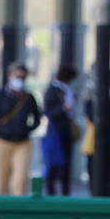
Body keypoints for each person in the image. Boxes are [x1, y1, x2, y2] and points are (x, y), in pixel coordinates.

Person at [0, 61, 41, 196]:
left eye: (22, 77)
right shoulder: (0, 95)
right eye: (17, 76)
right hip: (2, 141)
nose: (19, 80)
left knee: (20, 179)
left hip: (22, 142)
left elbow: (37, 117)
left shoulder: (28, 97)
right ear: (10, 76)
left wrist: (27, 129)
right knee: (1, 179)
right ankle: (1, 209)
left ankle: (19, 209)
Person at [42, 65, 78, 196]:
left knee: (66, 164)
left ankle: (65, 192)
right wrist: (64, 108)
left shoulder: (67, 89)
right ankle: (51, 191)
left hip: (66, 130)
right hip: (56, 131)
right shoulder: (53, 90)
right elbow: (49, 112)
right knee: (54, 163)